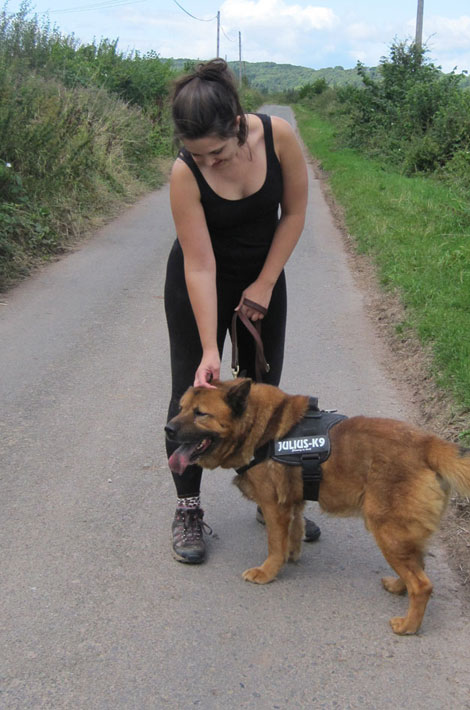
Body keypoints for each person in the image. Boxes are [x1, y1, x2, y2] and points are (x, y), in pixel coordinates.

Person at [164, 58, 319, 564]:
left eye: (214, 154)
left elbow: (294, 213)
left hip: (264, 276)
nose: (205, 164)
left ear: (236, 126)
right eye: (195, 156)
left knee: (262, 394)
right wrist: (211, 347)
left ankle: (268, 495)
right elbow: (200, 265)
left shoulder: (279, 138)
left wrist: (265, 284)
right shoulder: (185, 173)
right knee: (192, 397)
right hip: (201, 281)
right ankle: (188, 507)